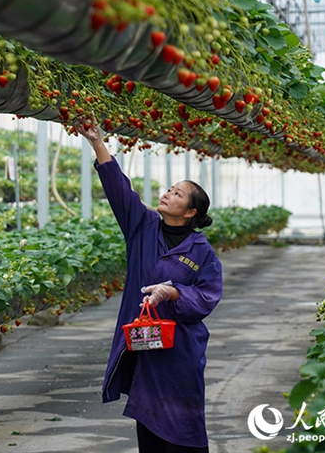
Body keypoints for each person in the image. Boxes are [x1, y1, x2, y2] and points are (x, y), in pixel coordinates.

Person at [76, 118, 223, 453]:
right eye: (170, 189)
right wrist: (97, 143)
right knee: (149, 420)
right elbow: (119, 191)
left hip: (180, 351)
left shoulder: (202, 253)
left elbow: (208, 297)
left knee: (184, 426)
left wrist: (173, 293)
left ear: (190, 213)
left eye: (178, 193)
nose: (168, 193)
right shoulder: (143, 226)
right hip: (145, 344)